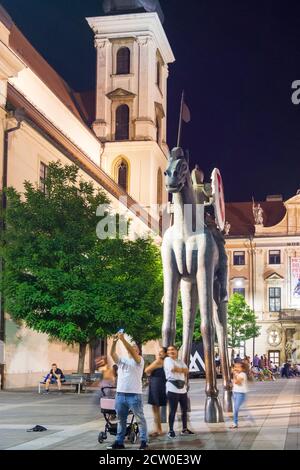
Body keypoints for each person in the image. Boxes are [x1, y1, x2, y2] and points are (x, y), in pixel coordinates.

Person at [108, 332, 148, 450]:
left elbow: (130, 349)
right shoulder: (122, 360)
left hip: (134, 395)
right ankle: (119, 442)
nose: (132, 347)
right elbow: (112, 353)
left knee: (140, 419)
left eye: (135, 347)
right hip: (120, 394)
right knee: (121, 420)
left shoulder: (139, 360)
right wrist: (115, 341)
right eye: (132, 346)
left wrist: (123, 340)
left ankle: (144, 441)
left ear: (138, 351)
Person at [164, 345, 194, 439]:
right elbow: (173, 369)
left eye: (173, 349)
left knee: (184, 410)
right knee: (173, 410)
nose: (171, 351)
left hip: (182, 389)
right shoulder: (167, 360)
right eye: (169, 350)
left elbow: (187, 370)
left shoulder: (180, 361)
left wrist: (180, 369)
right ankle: (171, 430)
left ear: (176, 351)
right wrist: (181, 370)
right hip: (172, 388)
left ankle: (184, 429)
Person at [145, 347, 167, 437]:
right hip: (160, 384)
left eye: (161, 352)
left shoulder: (158, 361)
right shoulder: (166, 362)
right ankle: (158, 429)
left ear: (165, 353)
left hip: (155, 385)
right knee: (156, 409)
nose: (159, 353)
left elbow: (147, 370)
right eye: (159, 352)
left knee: (155, 409)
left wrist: (147, 367)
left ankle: (158, 430)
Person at [230, 362, 248, 428]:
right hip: (235, 392)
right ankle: (235, 423)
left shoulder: (243, 374)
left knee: (236, 408)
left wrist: (235, 374)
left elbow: (238, 382)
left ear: (242, 368)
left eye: (238, 367)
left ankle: (235, 423)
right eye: (235, 367)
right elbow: (234, 383)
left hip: (240, 393)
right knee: (236, 408)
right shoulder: (238, 374)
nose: (236, 368)